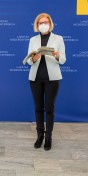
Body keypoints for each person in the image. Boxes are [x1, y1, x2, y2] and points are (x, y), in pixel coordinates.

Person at [26, 13, 66, 151]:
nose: (43, 25)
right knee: (38, 108)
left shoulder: (58, 39)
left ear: (50, 23)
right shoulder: (33, 40)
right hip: (35, 78)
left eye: (45, 22)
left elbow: (63, 60)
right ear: (37, 25)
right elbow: (30, 61)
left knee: (49, 108)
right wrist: (34, 58)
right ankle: (39, 136)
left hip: (52, 79)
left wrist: (57, 55)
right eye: (40, 23)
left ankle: (48, 137)